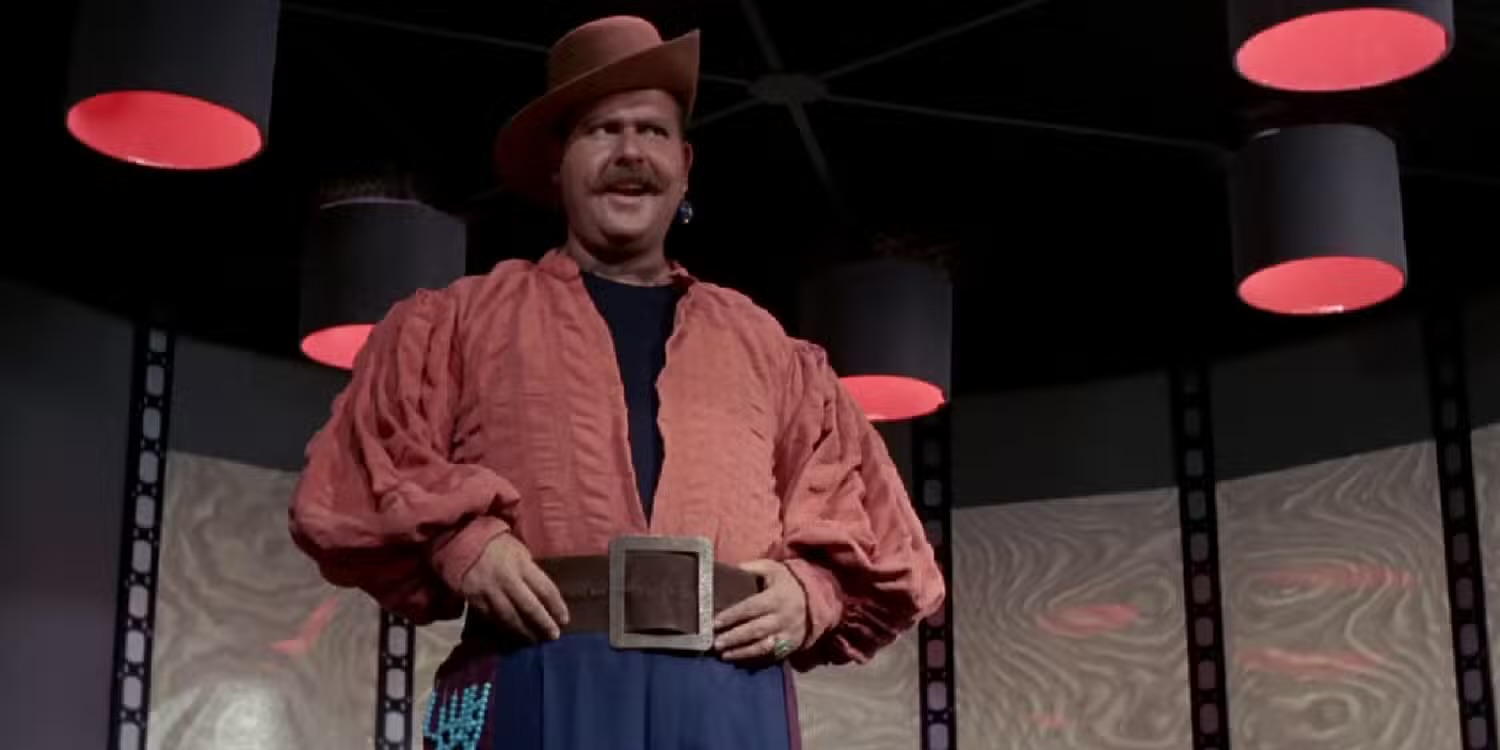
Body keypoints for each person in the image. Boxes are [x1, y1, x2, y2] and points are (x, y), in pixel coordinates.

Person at [289, 15, 945, 750]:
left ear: (684, 165)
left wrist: (810, 592)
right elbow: (357, 472)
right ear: (559, 162)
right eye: (602, 130)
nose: (630, 151)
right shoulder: (458, 323)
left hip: (727, 695)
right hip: (532, 670)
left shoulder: (769, 349)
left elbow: (882, 535)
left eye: (652, 131)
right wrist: (460, 541)